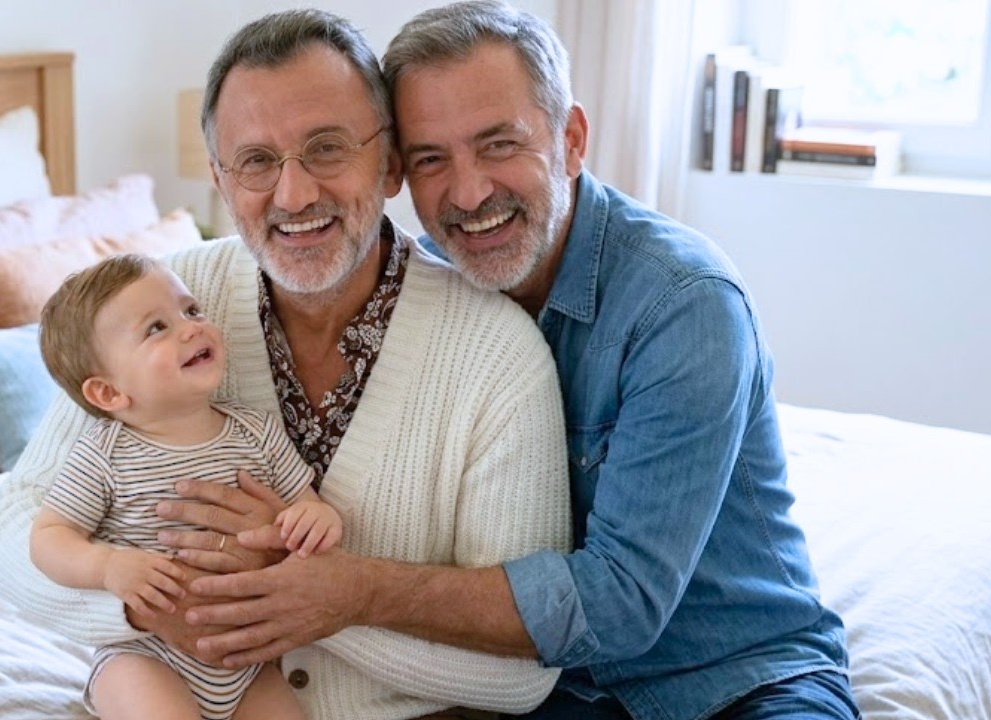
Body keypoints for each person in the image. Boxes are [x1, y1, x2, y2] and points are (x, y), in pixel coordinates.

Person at [178, 3, 860, 719]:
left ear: (571, 140)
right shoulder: (426, 292)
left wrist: (348, 590)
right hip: (557, 693)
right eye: (431, 158)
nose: (469, 193)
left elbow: (622, 604)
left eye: (499, 144)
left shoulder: (683, 303)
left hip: (737, 678)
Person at [0, 8, 571, 720]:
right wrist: (148, 606)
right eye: (257, 161)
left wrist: (315, 599)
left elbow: (524, 671)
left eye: (327, 149)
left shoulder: (498, 354)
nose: (294, 196)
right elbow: (9, 536)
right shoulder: (164, 302)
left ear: (389, 163)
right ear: (220, 179)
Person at [30, 253, 342, 720]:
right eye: (156, 328)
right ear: (109, 393)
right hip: (145, 654)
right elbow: (49, 536)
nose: (191, 328)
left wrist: (316, 519)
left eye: (191, 310)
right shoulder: (104, 454)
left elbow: (305, 504)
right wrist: (107, 566)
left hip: (247, 664)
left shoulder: (256, 432)